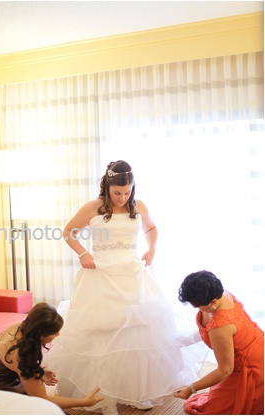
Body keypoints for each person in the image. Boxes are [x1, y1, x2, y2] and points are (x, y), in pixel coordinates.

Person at [43, 160, 203, 412]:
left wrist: (152, 249)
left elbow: (151, 227)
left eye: (127, 192)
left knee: (137, 332)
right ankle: (100, 390)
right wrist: (83, 253)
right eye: (117, 193)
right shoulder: (93, 207)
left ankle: (138, 391)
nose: (122, 197)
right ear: (107, 186)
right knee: (101, 331)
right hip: (100, 273)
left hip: (132, 273)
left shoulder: (138, 206)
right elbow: (69, 231)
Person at [173, 271, 264, 415]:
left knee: (214, 408)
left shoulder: (220, 326)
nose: (194, 308)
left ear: (213, 302)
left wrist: (190, 389)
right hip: (257, 343)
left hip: (249, 366)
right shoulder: (221, 293)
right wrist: (182, 341)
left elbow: (225, 370)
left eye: (198, 306)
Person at [0, 302, 103, 409]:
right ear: (40, 335)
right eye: (54, 332)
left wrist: (39, 371)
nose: (58, 334)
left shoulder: (21, 327)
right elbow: (42, 400)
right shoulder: (22, 355)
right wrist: (84, 402)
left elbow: (14, 364)